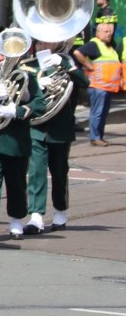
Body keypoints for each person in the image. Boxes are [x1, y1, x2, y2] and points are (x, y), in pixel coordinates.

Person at [25, 38, 88, 234]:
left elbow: (85, 82)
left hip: (60, 126)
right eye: (40, 43)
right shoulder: (29, 66)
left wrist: (67, 67)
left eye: (47, 43)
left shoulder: (66, 61)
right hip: (36, 125)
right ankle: (36, 215)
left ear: (57, 43)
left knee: (60, 171)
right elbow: (19, 93)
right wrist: (35, 83)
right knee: (36, 171)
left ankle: (60, 210)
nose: (43, 46)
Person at [74, 16, 119, 146]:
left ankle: (99, 136)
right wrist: (88, 65)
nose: (109, 34)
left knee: (103, 113)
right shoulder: (94, 44)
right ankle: (95, 138)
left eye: (110, 32)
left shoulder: (109, 46)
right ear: (98, 32)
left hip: (108, 86)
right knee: (97, 112)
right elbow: (78, 53)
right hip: (98, 86)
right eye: (106, 32)